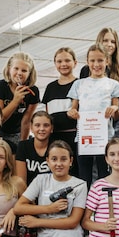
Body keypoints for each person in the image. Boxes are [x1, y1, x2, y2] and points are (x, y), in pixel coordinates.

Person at [67, 44, 119, 188]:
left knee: (104, 175)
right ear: (87, 61)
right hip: (84, 136)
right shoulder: (79, 84)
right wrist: (71, 113)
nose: (96, 64)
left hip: (105, 137)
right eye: (92, 61)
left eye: (100, 60)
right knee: (84, 176)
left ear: (107, 61)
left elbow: (116, 116)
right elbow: (72, 109)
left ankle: (103, 205)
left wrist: (114, 108)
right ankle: (83, 207)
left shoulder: (113, 85)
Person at [80, 28, 119, 143]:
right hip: (95, 120)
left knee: (118, 154)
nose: (109, 45)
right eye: (105, 41)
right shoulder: (86, 70)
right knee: (98, 156)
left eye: (113, 42)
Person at [0, 52, 41, 148]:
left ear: (29, 73)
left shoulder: (33, 91)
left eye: (24, 70)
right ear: (9, 69)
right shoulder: (0, 87)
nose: (19, 73)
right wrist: (15, 101)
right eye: (16, 69)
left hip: (18, 133)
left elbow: (26, 120)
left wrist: (23, 143)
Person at [43, 47, 79, 177]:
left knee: (75, 174)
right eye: (59, 61)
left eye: (67, 60)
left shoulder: (80, 84)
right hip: (55, 140)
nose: (63, 64)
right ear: (55, 64)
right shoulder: (50, 88)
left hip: (75, 140)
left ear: (75, 63)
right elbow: (47, 116)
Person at [15, 111, 53, 185]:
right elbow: (21, 181)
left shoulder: (57, 147)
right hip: (29, 193)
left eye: (46, 125)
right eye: (37, 125)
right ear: (31, 128)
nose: (42, 129)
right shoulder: (23, 146)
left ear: (51, 128)